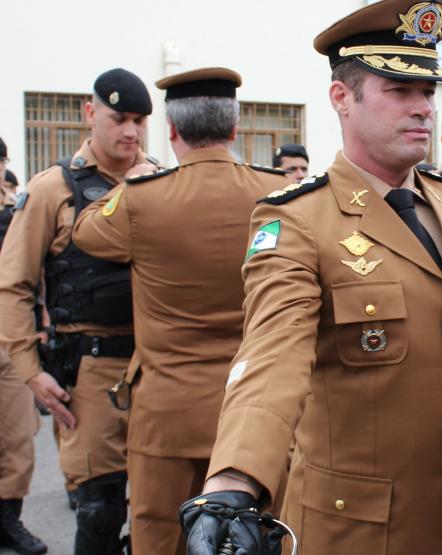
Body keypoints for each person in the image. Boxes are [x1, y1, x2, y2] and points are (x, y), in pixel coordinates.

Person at [179, 2, 442, 554]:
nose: (422, 109)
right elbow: (273, 354)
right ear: (342, 98)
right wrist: (234, 483)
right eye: (399, 91)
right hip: (358, 532)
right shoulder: (297, 218)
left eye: (427, 92)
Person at [70, 67, 290, 555]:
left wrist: (133, 181)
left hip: (164, 413)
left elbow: (85, 230)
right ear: (235, 128)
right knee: (252, 536)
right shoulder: (278, 196)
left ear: (171, 130)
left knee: (159, 535)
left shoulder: (142, 199)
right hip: (252, 409)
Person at [0, 68, 155, 555]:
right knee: (101, 509)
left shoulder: (160, 180)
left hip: (159, 366)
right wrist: (29, 372)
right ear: (91, 114)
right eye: (119, 119)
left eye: (139, 121)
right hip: (91, 373)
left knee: (163, 506)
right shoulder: (53, 189)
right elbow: (13, 285)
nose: (130, 131)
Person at [0, 160, 47, 555]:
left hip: (7, 340)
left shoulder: (13, 214)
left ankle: (7, 519)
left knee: (17, 439)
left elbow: (31, 273)